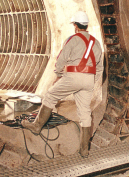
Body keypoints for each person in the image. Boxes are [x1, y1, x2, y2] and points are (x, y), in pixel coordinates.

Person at [22, 10, 104, 158]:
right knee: (85, 113)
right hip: (88, 80)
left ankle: (36, 126)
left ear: (75, 26)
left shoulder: (72, 39)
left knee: (51, 95)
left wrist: (59, 75)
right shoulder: (96, 42)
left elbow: (61, 59)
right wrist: (92, 80)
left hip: (73, 76)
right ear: (86, 26)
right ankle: (84, 150)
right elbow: (100, 67)